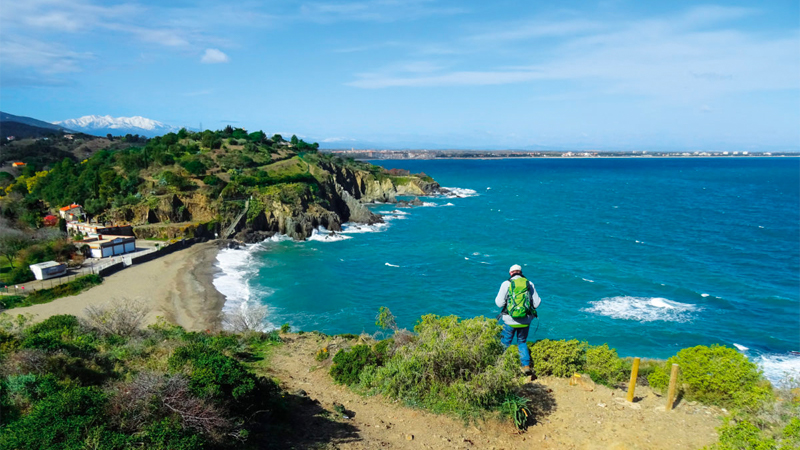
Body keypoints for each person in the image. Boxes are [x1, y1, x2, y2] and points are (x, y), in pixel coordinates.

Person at [495, 264, 541, 376]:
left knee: (505, 342)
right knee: (522, 342)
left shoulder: (506, 284)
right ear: (520, 272)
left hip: (509, 320)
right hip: (525, 321)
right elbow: (537, 303)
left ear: (511, 273)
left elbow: (499, 303)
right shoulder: (529, 284)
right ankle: (526, 366)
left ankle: (499, 365)